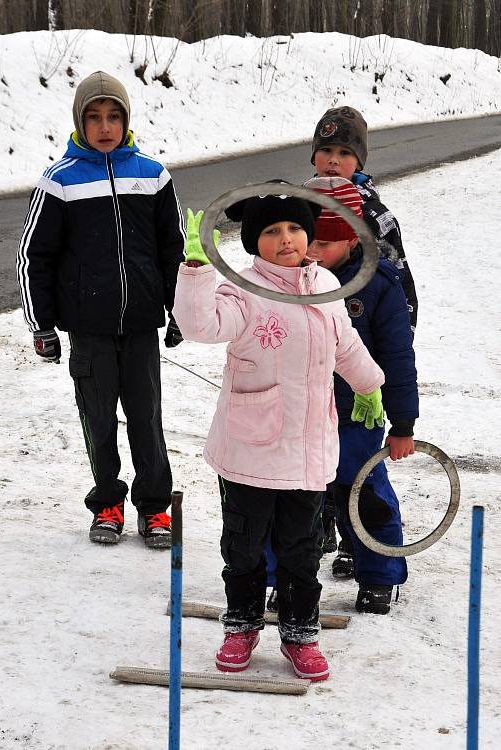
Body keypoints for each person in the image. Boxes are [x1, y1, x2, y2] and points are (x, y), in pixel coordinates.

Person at [173, 184, 385, 680]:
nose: (285, 238)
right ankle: (242, 623)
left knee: (301, 549)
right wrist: (198, 272)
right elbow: (201, 325)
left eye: (293, 228)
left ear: (308, 235)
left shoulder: (326, 288)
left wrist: (370, 385)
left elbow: (346, 345)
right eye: (271, 231)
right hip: (251, 447)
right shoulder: (242, 289)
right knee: (243, 546)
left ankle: (299, 632)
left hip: (309, 450)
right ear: (253, 242)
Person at [16, 70, 185, 548]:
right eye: (94, 117)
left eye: (114, 116)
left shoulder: (152, 175)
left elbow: (172, 250)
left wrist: (180, 310)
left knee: (146, 416)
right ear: (79, 122)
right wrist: (41, 325)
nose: (105, 126)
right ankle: (107, 502)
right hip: (87, 330)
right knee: (98, 417)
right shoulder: (61, 181)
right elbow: (35, 256)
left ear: (127, 120)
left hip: (140, 327)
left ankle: (154, 508)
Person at [310, 104, 418, 574]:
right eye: (326, 151)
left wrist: (396, 342)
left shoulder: (376, 216)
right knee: (314, 475)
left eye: (344, 153)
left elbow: (396, 288)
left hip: (362, 368)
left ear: (360, 160)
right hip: (309, 375)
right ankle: (319, 537)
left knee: (360, 474)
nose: (334, 161)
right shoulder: (299, 202)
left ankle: (363, 549)